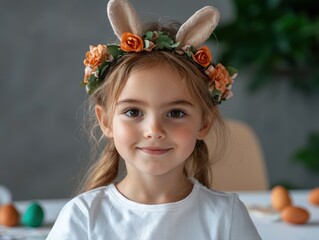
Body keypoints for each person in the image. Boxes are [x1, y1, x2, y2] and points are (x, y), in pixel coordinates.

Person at [47, 0, 261, 239]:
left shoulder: (226, 217)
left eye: (176, 113)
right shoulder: (83, 217)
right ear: (106, 120)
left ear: (204, 123)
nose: (154, 130)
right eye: (133, 112)